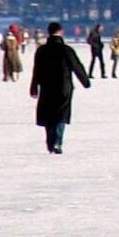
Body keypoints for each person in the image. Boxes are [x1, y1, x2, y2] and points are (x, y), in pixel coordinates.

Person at [30, 21, 92, 154]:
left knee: (48, 114)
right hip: (64, 86)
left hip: (47, 86)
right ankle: (58, 142)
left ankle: (50, 142)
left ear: (48, 32)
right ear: (61, 32)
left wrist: (34, 87)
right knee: (61, 114)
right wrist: (85, 81)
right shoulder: (66, 50)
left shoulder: (42, 50)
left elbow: (37, 70)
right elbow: (77, 66)